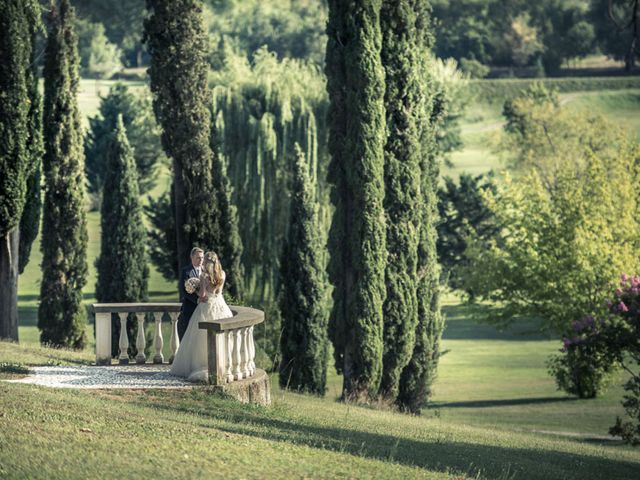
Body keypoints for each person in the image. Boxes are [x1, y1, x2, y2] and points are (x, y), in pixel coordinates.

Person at [170, 251, 233, 382]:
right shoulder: (222, 274)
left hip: (206, 307)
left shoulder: (204, 276)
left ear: (206, 262)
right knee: (222, 337)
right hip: (220, 306)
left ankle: (202, 364)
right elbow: (218, 292)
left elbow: (203, 295)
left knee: (199, 338)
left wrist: (196, 288)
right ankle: (221, 364)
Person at [177, 247, 204, 341]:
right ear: (192, 258)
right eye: (198, 258)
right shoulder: (186, 271)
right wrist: (197, 300)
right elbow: (183, 290)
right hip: (190, 310)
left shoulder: (206, 271)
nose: (201, 260)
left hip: (203, 310)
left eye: (202, 258)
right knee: (189, 338)